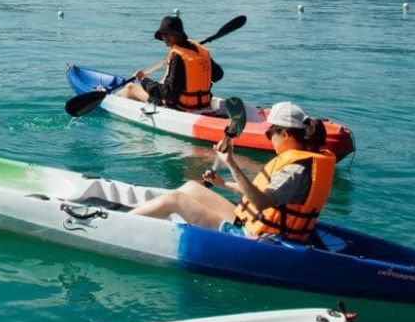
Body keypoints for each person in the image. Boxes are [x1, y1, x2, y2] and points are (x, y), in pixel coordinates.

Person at [127, 101, 335, 243]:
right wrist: (222, 184)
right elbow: (262, 196)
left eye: (270, 132)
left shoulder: (295, 169)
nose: (268, 136)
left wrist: (231, 163)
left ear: (286, 134)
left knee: (174, 200)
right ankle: (144, 219)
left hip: (258, 240)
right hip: (251, 224)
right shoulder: (300, 161)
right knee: (191, 186)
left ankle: (116, 222)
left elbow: (261, 202)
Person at [114, 14, 221, 112]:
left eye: (169, 35)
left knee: (130, 87)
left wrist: (143, 80)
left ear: (179, 35)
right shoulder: (199, 51)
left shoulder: (178, 56)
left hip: (177, 107)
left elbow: (168, 94)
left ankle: (108, 99)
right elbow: (218, 74)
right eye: (163, 35)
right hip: (202, 105)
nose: (165, 38)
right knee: (162, 81)